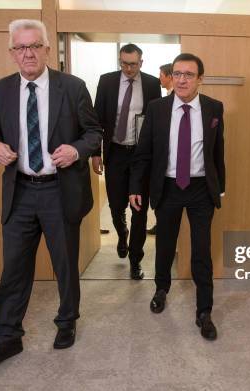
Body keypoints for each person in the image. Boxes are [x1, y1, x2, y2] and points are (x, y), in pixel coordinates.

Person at [0, 19, 102, 365]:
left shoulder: (73, 87)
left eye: (34, 46)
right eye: (20, 48)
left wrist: (76, 150)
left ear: (47, 49)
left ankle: (66, 322)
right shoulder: (0, 89)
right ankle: (7, 336)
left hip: (59, 192)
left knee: (64, 265)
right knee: (14, 267)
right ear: (12, 53)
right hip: (19, 193)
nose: (28, 53)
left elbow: (93, 133)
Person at [129, 53, 225, 341]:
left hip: (200, 189)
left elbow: (218, 151)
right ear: (171, 77)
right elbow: (143, 152)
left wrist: (220, 187)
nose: (182, 79)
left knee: (201, 250)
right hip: (168, 187)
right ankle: (161, 289)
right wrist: (136, 186)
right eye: (177, 73)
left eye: (189, 74)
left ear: (200, 79)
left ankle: (204, 310)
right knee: (165, 244)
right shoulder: (157, 108)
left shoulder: (214, 108)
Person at [92, 44, 161, 279]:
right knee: (115, 205)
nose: (128, 69)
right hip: (116, 153)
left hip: (141, 156)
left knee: (139, 210)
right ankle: (122, 234)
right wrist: (95, 153)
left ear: (141, 62)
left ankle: (135, 259)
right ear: (119, 61)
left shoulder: (152, 84)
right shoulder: (107, 81)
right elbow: (96, 120)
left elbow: (155, 122)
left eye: (133, 64)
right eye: (124, 63)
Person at [147, 63, 174, 236]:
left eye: (161, 75)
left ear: (169, 76)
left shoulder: (171, 101)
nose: (159, 78)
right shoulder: (159, 104)